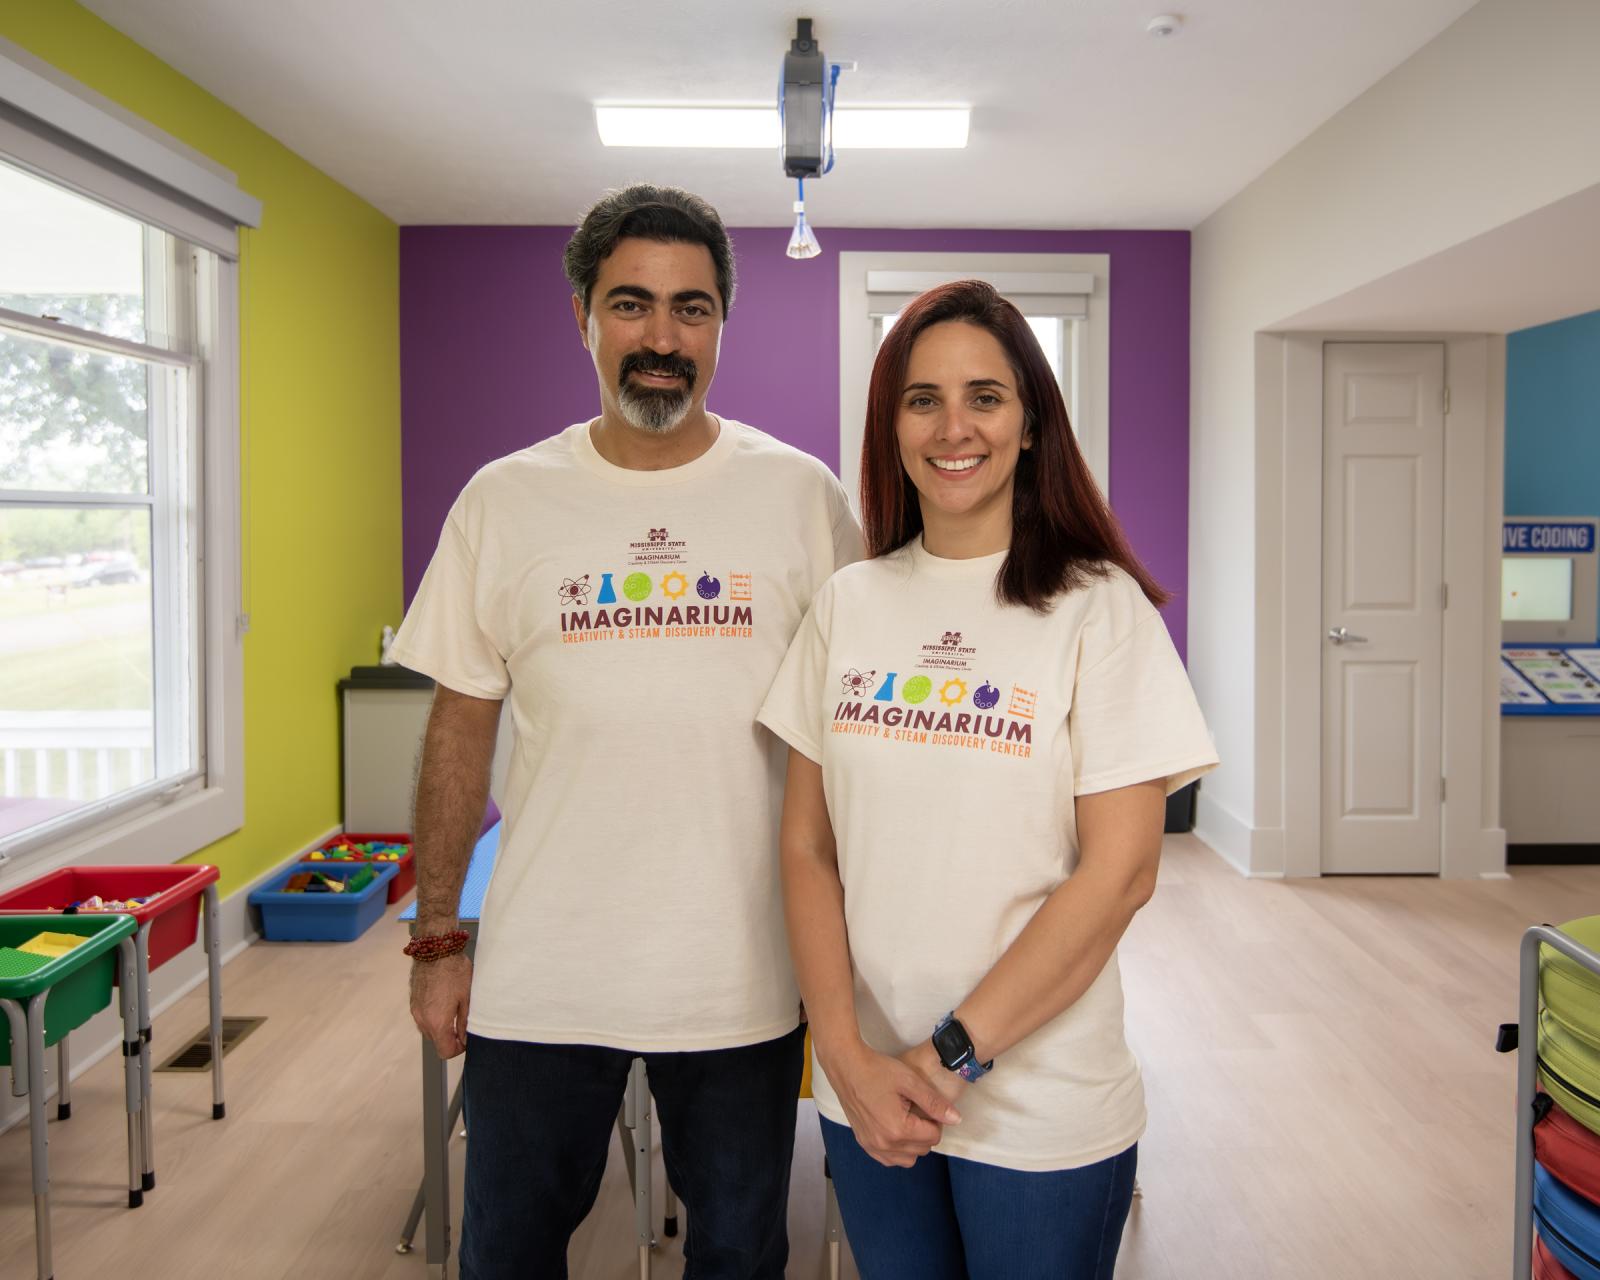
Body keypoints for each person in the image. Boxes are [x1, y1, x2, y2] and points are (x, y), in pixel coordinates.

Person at [391, 184, 862, 1279]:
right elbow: (460, 734)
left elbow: (851, 739)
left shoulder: (802, 498)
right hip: (545, 968)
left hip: (744, 968)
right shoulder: (503, 501)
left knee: (741, 1250)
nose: (661, 337)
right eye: (632, 304)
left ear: (721, 325)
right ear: (582, 315)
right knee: (505, 1249)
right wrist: (435, 937)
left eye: (691, 309)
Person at [758, 279, 1217, 1278]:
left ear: (1029, 425)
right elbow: (805, 843)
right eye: (921, 398)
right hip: (867, 1090)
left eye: (984, 395)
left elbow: (1122, 871)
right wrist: (841, 1050)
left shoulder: (1100, 611)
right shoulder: (849, 602)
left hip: (1039, 1103)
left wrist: (943, 1056)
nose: (952, 425)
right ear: (891, 424)